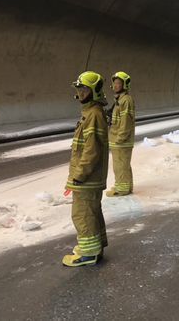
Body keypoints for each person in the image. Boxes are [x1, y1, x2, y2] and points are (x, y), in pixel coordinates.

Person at [62, 71, 109, 267]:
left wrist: (78, 176)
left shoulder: (94, 115)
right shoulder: (91, 113)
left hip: (87, 178)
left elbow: (91, 151)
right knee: (92, 211)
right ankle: (94, 246)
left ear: (95, 92)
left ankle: (89, 254)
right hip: (89, 177)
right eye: (79, 89)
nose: (81, 93)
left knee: (82, 214)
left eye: (85, 89)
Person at [106, 71, 135, 197]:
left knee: (120, 166)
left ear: (125, 85)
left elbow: (126, 122)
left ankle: (121, 189)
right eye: (115, 83)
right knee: (124, 165)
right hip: (118, 139)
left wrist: (120, 138)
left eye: (119, 83)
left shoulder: (126, 100)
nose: (116, 85)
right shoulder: (120, 100)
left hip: (121, 140)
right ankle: (126, 186)